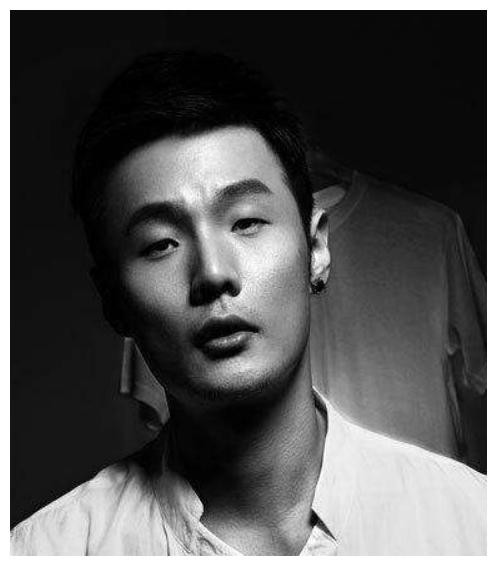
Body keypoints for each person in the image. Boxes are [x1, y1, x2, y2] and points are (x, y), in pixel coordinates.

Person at [10, 50, 486, 556]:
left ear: (316, 248)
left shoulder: (473, 523)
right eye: (161, 244)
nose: (213, 273)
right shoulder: (44, 552)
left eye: (246, 222)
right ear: (113, 300)